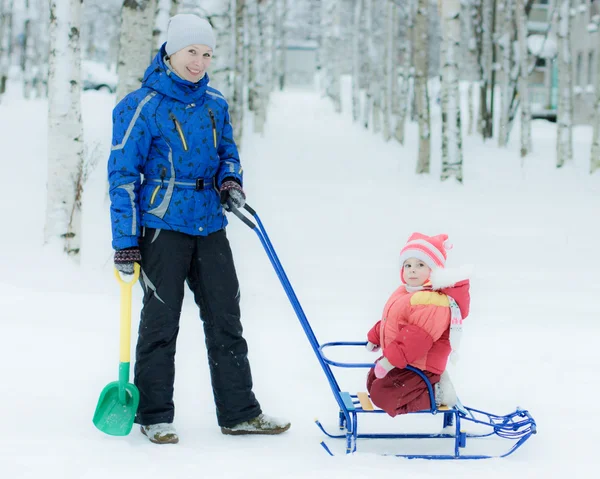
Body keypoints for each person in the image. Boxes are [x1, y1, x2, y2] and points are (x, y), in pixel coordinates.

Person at [107, 13, 290, 445]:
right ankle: (154, 415)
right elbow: (122, 177)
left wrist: (230, 181)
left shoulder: (215, 103)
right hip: (162, 226)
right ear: (171, 51)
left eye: (207, 54)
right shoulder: (141, 106)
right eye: (192, 52)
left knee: (227, 319)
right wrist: (125, 243)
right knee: (160, 324)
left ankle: (239, 412)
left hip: (209, 222)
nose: (200, 61)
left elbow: (229, 152)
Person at [364, 233, 470, 417]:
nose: (412, 270)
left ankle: (437, 393)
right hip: (406, 362)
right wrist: (375, 336)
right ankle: (424, 388)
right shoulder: (407, 292)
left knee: (384, 395)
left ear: (434, 270)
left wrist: (389, 362)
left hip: (422, 368)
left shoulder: (432, 301)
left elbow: (416, 340)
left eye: (421, 265)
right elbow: (394, 322)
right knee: (373, 380)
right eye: (408, 265)